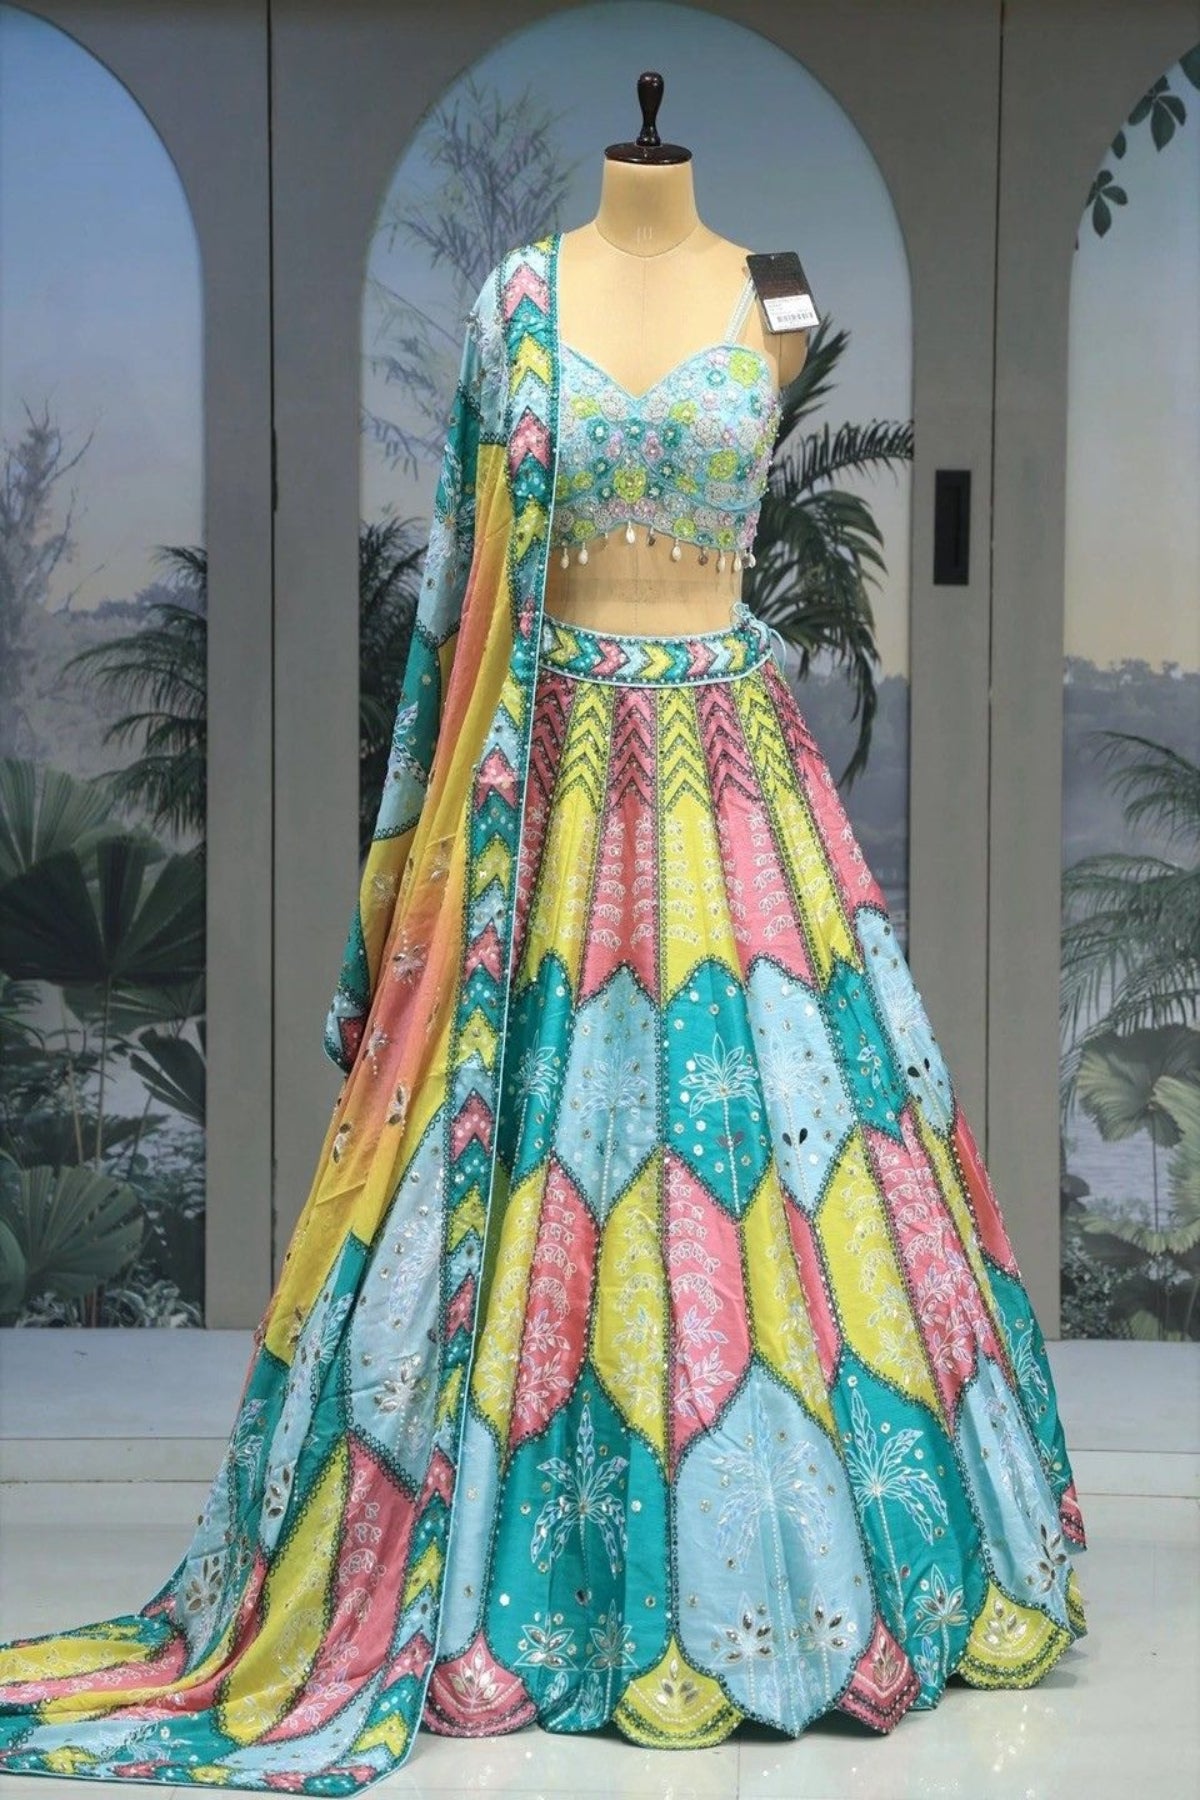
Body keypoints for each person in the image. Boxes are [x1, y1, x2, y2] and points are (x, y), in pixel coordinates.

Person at [0, 154, 1087, 1793]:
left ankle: (797, 1572)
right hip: (551, 785)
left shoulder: (776, 292)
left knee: (787, 1152)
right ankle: (525, 1575)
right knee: (544, 1160)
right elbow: (461, 584)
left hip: (730, 784)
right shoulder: (515, 300)